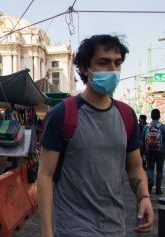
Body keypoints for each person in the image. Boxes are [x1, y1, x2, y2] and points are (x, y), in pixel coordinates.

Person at [38, 34, 153, 236]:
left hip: (115, 227)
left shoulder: (126, 115)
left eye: (117, 63)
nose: (113, 70)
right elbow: (45, 176)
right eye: (103, 62)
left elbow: (135, 167)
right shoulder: (62, 114)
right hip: (72, 227)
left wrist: (144, 197)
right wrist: (47, 232)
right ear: (84, 68)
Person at [142, 108, 165, 194]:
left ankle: (150, 182)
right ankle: (158, 189)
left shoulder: (146, 127)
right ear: (159, 116)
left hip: (149, 151)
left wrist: (143, 152)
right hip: (160, 152)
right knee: (159, 170)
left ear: (151, 117)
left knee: (150, 168)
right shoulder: (163, 127)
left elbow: (142, 140)